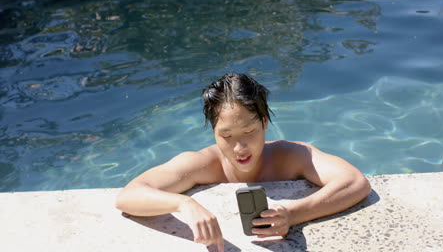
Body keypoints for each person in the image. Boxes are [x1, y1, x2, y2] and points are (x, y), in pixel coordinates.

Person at [115, 73, 371, 251]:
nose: (240, 148)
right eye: (226, 136)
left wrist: (293, 214)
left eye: (249, 133)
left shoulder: (291, 156)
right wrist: (185, 204)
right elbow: (128, 196)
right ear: (214, 131)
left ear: (264, 123)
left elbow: (354, 182)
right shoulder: (201, 164)